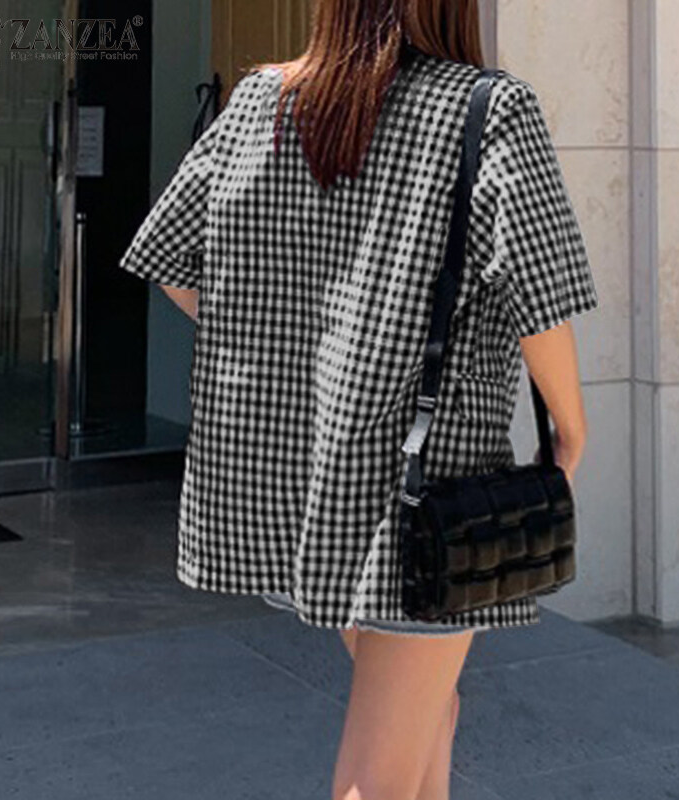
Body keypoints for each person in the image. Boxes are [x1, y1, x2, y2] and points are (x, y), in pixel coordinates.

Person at [118, 1, 599, 797]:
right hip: (423, 495)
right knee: (379, 774)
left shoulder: (262, 99)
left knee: (431, 715)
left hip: (287, 482)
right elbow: (540, 293)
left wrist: (293, 349)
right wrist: (571, 432)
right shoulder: (487, 107)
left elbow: (171, 261)